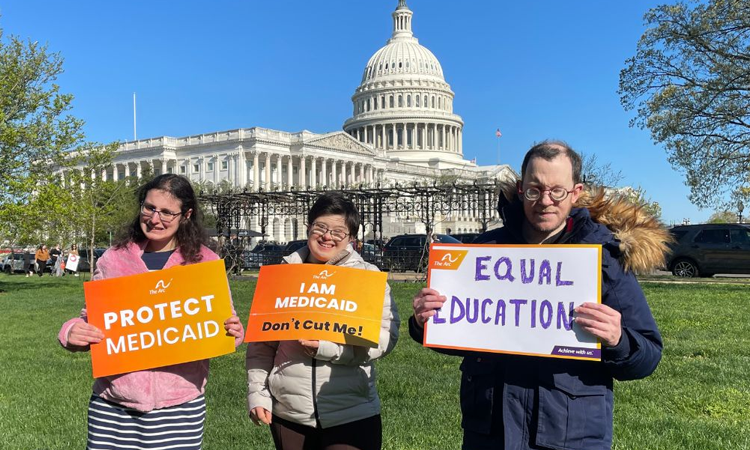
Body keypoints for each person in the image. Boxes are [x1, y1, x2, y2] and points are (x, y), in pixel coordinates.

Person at [411, 141, 668, 450]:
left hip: (569, 435)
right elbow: (464, 335)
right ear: (521, 189)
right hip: (491, 433)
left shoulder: (602, 257)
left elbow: (647, 356)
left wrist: (618, 340)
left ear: (576, 192)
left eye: (557, 191)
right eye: (535, 190)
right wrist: (424, 322)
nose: (545, 201)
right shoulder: (485, 251)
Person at [58, 174, 245, 450]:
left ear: (186, 215)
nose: (155, 219)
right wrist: (71, 330)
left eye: (167, 212)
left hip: (180, 406)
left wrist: (234, 332)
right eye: (149, 208)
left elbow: (223, 321)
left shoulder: (205, 261)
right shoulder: (114, 258)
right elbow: (91, 318)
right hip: (114, 406)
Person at [247, 192, 400, 450]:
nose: (327, 236)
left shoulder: (367, 278)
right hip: (289, 413)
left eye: (338, 232)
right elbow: (261, 346)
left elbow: (383, 339)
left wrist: (327, 348)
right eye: (320, 227)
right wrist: (257, 395)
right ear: (309, 228)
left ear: (351, 238)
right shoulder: (283, 276)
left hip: (351, 412)